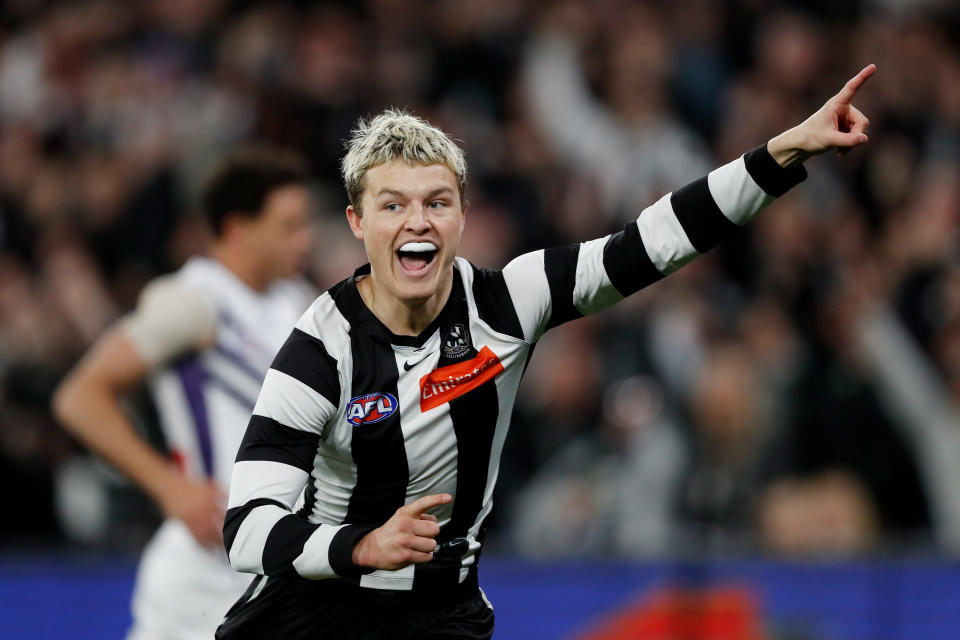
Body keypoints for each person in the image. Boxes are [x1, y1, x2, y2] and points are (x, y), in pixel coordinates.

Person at [215, 65, 876, 639]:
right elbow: (246, 529)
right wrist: (361, 545)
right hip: (313, 609)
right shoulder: (320, 348)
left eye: (436, 202)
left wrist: (789, 149)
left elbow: (654, 242)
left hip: (438, 614)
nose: (417, 221)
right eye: (393, 205)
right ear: (359, 222)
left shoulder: (510, 302)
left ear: (462, 214)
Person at [52, 147, 315, 640]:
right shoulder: (193, 301)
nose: (305, 239)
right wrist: (169, 487)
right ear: (237, 228)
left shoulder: (295, 301)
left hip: (278, 567)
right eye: (288, 226)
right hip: (205, 571)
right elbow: (80, 398)